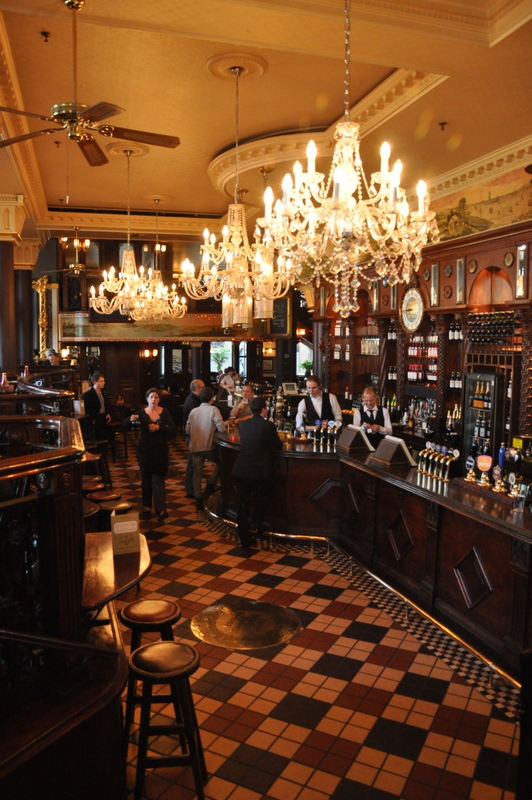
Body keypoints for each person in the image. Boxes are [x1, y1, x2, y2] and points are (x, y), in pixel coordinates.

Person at [231, 396, 283, 549]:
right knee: (268, 493)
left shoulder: (244, 425)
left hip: (241, 469)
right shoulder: (268, 426)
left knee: (242, 505)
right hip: (259, 472)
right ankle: (256, 521)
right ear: (263, 410)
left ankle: (244, 537)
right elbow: (278, 446)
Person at [130, 387, 176, 522]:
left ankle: (161, 510)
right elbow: (126, 424)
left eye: (156, 397)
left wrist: (159, 428)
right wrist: (131, 419)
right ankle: (146, 507)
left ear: (159, 399)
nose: (154, 399)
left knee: (158, 479)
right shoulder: (141, 413)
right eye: (151, 397)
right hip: (145, 451)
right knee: (146, 479)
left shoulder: (165, 412)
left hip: (160, 450)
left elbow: (172, 430)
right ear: (147, 399)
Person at [186, 386, 227, 510]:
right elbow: (221, 429)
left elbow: (187, 430)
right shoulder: (214, 409)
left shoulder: (194, 411)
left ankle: (198, 498)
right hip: (208, 447)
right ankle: (210, 484)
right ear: (212, 398)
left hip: (195, 446)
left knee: (197, 472)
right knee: (222, 464)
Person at [182, 378, 205, 498]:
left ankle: (191, 489)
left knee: (192, 463)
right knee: (192, 464)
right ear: (197, 389)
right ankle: (191, 490)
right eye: (203, 387)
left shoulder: (193, 399)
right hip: (193, 436)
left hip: (192, 435)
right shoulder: (193, 402)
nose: (204, 390)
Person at [82, 372, 111, 440]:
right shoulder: (88, 394)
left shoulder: (103, 393)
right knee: (96, 437)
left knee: (104, 437)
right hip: (95, 418)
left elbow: (104, 404)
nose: (104, 383)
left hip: (102, 417)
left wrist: (107, 413)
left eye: (103, 381)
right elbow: (87, 408)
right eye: (101, 381)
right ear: (95, 382)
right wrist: (91, 419)